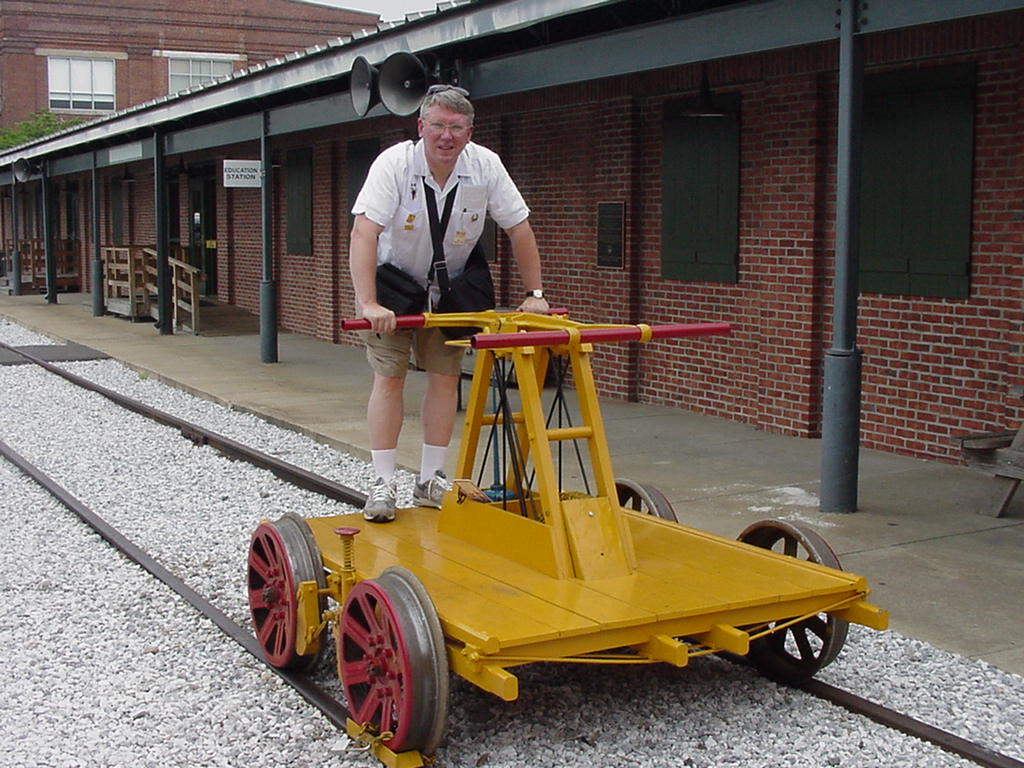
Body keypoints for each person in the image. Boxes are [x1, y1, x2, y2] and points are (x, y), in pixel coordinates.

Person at [349, 84, 548, 523]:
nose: (446, 136)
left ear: (469, 132)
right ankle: (382, 482)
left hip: (450, 293)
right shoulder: (396, 165)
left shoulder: (485, 166)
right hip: (394, 290)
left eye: (456, 127)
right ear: (421, 127)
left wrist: (535, 296)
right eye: (437, 125)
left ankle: (431, 479)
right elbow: (364, 232)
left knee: (445, 380)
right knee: (390, 379)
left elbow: (520, 229)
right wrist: (368, 303)